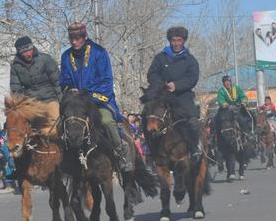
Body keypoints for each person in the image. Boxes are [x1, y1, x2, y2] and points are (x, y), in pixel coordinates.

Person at [59, 22, 133, 171]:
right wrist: (69, 89)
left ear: (84, 36)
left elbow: (106, 81)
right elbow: (64, 80)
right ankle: (64, 162)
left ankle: (121, 152)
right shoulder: (66, 56)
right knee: (60, 124)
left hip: (99, 100)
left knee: (106, 121)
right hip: (77, 103)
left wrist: (86, 95)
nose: (74, 41)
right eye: (71, 38)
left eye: (77, 38)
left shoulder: (99, 52)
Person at [146, 25, 202, 159]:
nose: (176, 43)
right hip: (163, 97)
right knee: (148, 117)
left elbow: (192, 78)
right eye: (173, 40)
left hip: (183, 98)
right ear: (169, 41)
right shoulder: (160, 58)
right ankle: (150, 152)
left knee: (193, 121)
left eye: (179, 40)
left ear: (183, 41)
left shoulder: (190, 60)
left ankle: (195, 148)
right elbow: (152, 74)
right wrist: (162, 85)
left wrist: (176, 85)